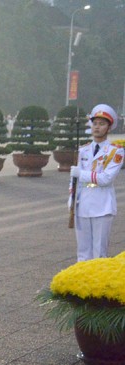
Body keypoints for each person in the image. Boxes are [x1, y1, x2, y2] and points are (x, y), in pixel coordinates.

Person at [71, 104, 123, 261]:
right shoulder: (83, 150)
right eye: (95, 123)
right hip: (83, 203)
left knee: (99, 252)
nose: (97, 127)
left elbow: (106, 179)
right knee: (83, 251)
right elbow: (73, 180)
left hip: (102, 204)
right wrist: (71, 200)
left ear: (109, 127)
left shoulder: (116, 151)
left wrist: (81, 174)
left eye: (102, 124)